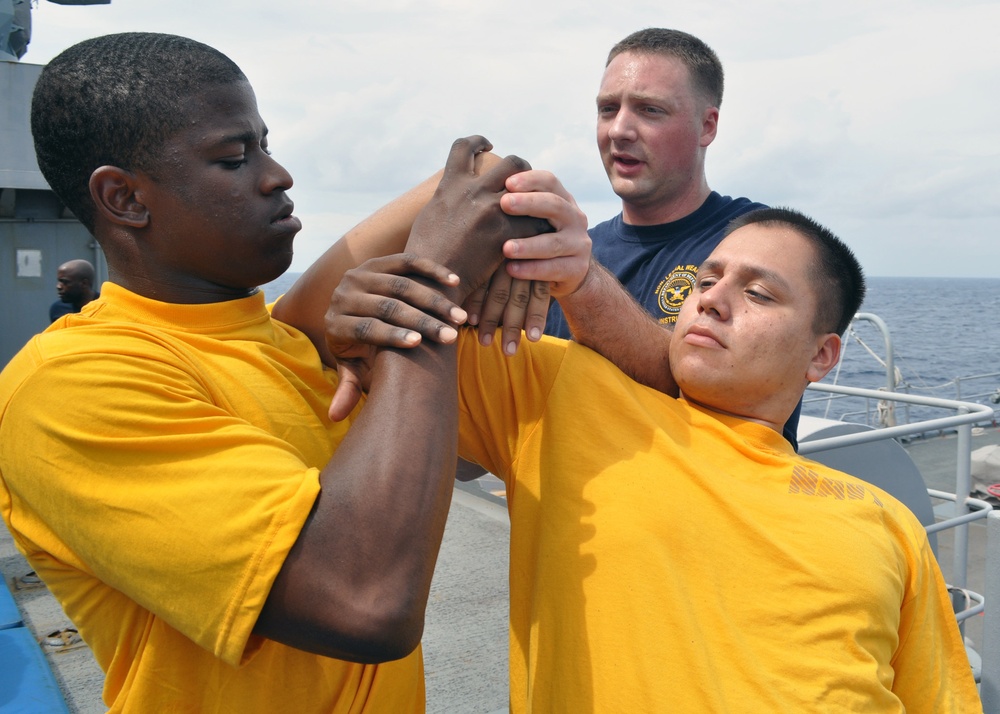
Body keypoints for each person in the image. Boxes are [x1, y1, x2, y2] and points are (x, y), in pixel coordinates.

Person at [0, 32, 564, 712]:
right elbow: (365, 601)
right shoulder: (70, 386)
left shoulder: (291, 339)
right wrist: (434, 297)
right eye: (235, 157)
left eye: (266, 144)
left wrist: (511, 211)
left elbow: (485, 173)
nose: (278, 175)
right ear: (124, 197)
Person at [325, 206, 981, 712]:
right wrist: (493, 188)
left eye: (759, 294)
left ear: (822, 356)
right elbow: (313, 328)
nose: (713, 297)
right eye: (707, 278)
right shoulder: (565, 394)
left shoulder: (888, 520)